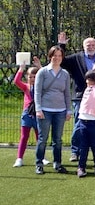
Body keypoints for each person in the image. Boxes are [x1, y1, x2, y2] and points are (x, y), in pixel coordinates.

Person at [58, 32, 95, 162]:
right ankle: (75, 151)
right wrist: (62, 45)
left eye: (93, 44)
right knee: (79, 125)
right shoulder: (76, 58)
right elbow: (62, 61)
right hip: (80, 96)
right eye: (88, 45)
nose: (91, 46)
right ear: (83, 46)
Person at [33, 45, 72, 174]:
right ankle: (39, 163)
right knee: (43, 138)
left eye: (59, 56)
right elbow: (37, 92)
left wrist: (68, 110)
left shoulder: (65, 74)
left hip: (60, 111)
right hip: (45, 110)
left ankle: (58, 163)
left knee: (58, 139)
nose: (57, 58)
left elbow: (67, 93)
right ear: (50, 56)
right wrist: (38, 109)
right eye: (54, 55)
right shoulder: (42, 72)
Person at [76, 48, 95, 177]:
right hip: (83, 121)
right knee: (83, 146)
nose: (87, 81)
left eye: (89, 79)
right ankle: (81, 167)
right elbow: (94, 70)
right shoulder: (88, 88)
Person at [12, 59, 41, 167]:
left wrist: (40, 67)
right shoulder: (26, 87)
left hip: (38, 114)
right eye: (30, 77)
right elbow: (16, 82)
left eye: (35, 76)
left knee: (40, 137)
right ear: (27, 78)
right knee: (24, 136)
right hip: (27, 115)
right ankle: (19, 158)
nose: (33, 79)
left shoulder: (41, 87)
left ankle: (41, 157)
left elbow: (47, 79)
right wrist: (21, 68)